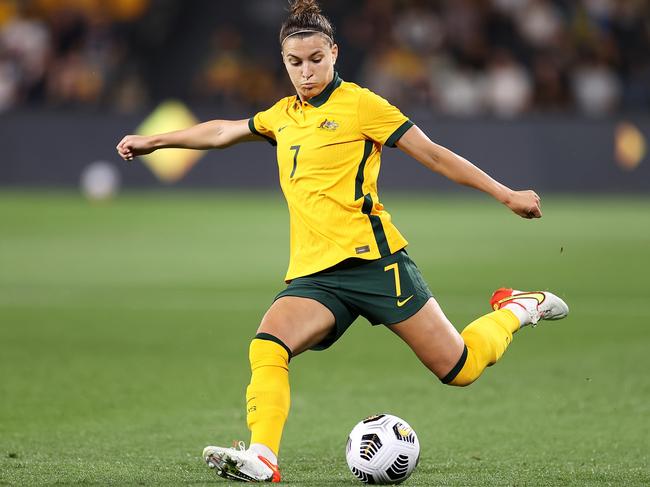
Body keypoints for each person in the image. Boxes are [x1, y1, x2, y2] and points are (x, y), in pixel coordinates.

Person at [116, 0, 569, 483]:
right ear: (284, 62)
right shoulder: (282, 116)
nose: (306, 72)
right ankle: (263, 456)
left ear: (334, 53)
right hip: (316, 276)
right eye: (295, 63)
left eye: (316, 59)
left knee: (458, 368)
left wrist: (506, 194)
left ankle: (520, 308)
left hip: (376, 264)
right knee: (268, 345)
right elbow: (223, 130)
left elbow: (434, 155)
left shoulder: (361, 105)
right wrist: (156, 141)